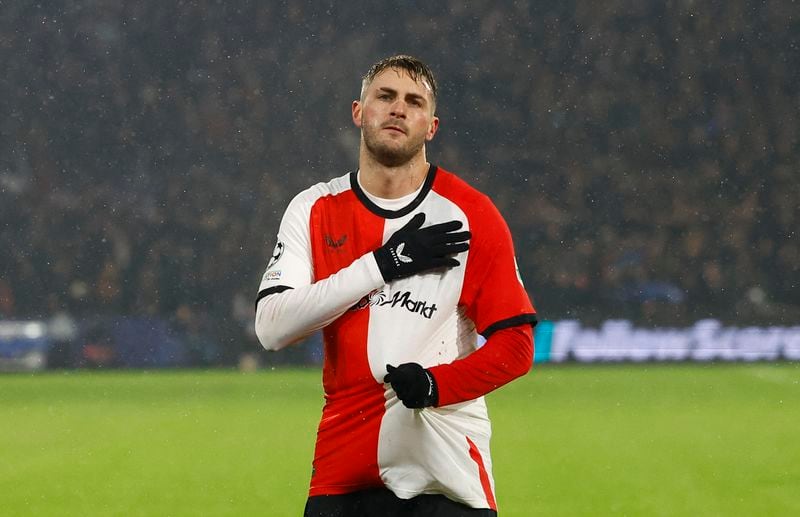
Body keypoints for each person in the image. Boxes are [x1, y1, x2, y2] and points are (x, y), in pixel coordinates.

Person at [255, 55, 537, 516]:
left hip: (447, 481)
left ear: (432, 126)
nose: (398, 109)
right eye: (385, 96)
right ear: (358, 111)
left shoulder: (471, 214)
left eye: (414, 102)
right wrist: (383, 263)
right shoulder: (313, 208)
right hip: (342, 477)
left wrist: (434, 385)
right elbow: (271, 328)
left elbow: (516, 347)